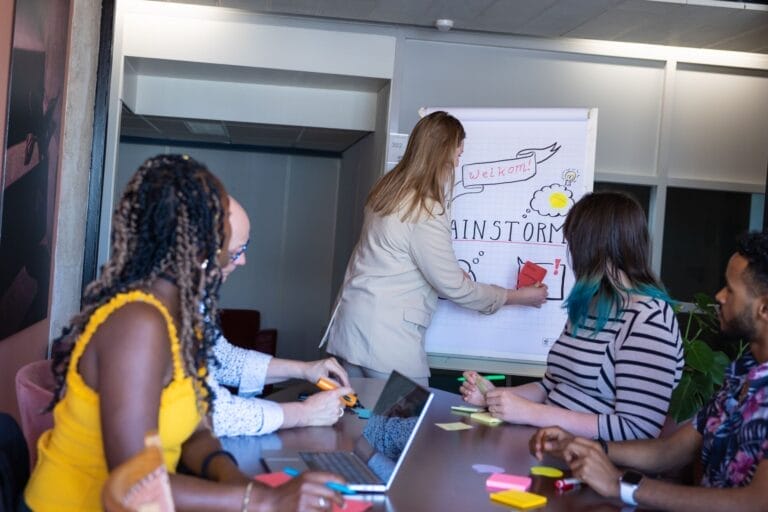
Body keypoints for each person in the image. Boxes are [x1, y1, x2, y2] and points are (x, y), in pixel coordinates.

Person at [24, 155, 344, 511]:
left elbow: (196, 432)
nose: (238, 254)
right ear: (202, 243)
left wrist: (242, 485)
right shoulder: (138, 323)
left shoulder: (184, 319)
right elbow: (135, 485)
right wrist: (264, 500)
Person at [529, 231, 768, 511]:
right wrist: (586, 448)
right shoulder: (742, 373)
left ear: (764, 308)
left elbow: (756, 502)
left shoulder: (649, 317)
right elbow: (670, 451)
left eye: (730, 289)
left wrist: (620, 484)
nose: (719, 296)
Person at [324, 111, 548, 386]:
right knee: (402, 426)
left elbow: (400, 260)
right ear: (442, 154)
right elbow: (453, 288)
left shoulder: (386, 192)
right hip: (387, 340)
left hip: (353, 331)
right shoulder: (425, 207)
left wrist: (448, 275)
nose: (457, 162)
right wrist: (518, 296)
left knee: (359, 423)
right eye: (458, 153)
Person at [461, 191, 685, 441]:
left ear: (593, 247)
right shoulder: (590, 304)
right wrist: (496, 396)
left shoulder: (648, 319)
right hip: (548, 445)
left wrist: (532, 413)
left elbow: (637, 429)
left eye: (574, 243)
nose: (572, 255)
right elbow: (549, 386)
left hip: (589, 464)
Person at [210, 197, 355, 436]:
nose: (243, 260)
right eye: (236, 252)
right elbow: (212, 412)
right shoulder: (155, 312)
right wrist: (304, 413)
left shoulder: (189, 302)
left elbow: (222, 360)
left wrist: (305, 370)